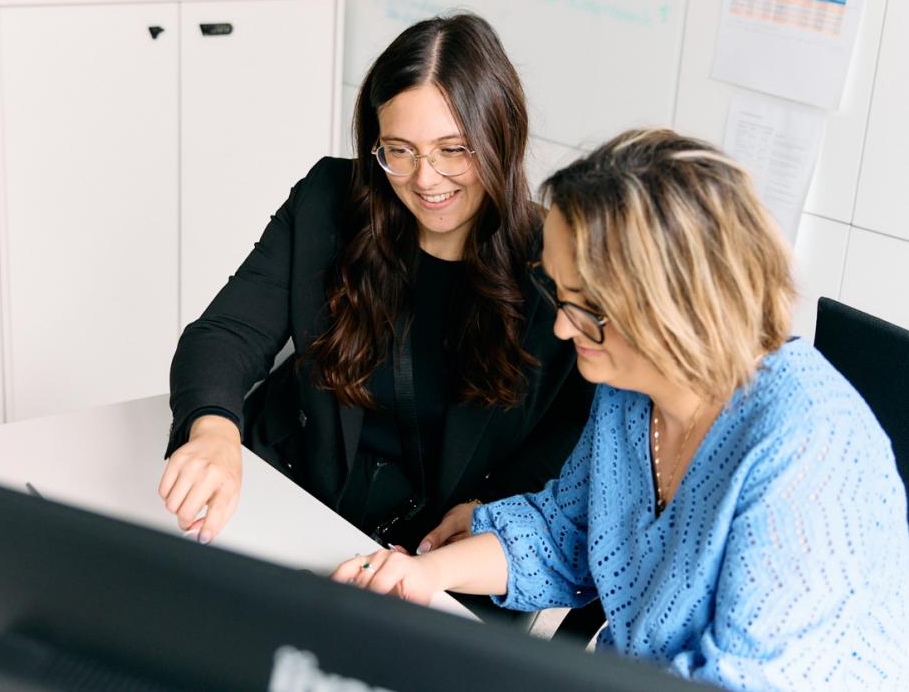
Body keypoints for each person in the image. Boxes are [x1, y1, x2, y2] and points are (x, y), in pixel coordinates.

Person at [332, 129, 909, 690]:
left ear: (671, 309)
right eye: (560, 293)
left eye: (587, 310)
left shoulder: (808, 452)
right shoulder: (634, 388)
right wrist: (424, 575)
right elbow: (571, 535)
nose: (562, 326)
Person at [158, 13, 595, 555]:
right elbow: (226, 333)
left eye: (453, 149)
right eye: (400, 150)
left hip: (439, 546)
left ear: (501, 137)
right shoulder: (326, 199)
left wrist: (497, 507)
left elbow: (582, 424)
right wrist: (214, 430)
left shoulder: (557, 260)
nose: (425, 178)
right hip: (291, 494)